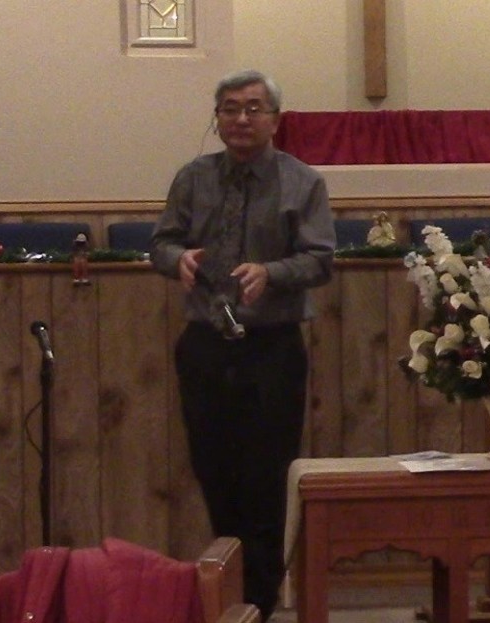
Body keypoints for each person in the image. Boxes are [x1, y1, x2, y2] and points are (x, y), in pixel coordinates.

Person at [150, 69, 336, 620]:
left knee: (266, 477)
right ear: (217, 118)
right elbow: (161, 243)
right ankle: (228, 593)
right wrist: (177, 260)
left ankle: (260, 598)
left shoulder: (302, 182)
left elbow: (321, 259)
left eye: (253, 108)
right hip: (205, 343)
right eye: (229, 108)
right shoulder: (193, 178)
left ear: (275, 119)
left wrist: (271, 272)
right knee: (214, 470)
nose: (241, 119)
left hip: (271, 346)